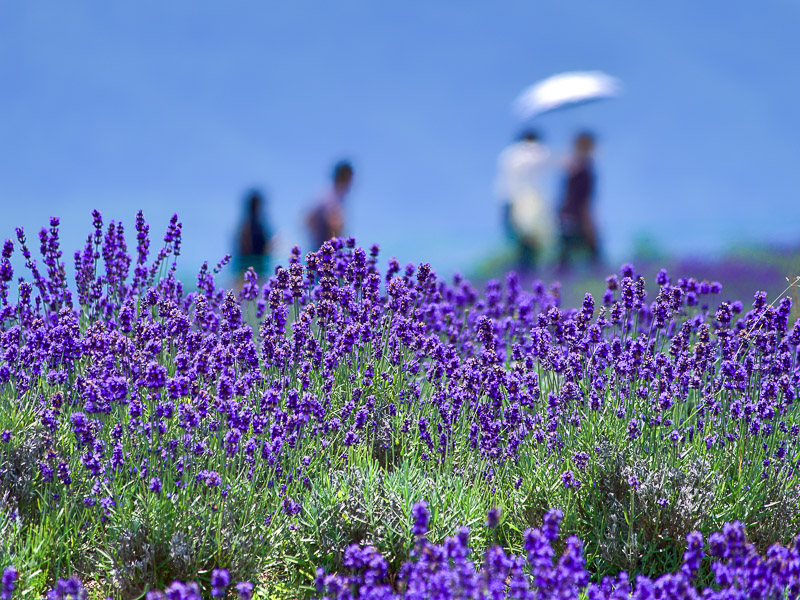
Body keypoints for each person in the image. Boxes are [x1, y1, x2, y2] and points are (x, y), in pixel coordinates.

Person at [495, 130, 554, 272]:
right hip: (523, 203)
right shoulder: (528, 153)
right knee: (528, 241)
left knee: (519, 242)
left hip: (508, 200)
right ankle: (527, 271)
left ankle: (524, 272)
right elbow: (545, 158)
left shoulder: (508, 154)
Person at [558, 131, 600, 271]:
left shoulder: (573, 167)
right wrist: (588, 221)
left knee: (565, 255)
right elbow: (583, 199)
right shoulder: (584, 169)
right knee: (592, 254)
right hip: (577, 216)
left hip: (566, 214)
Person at [307, 160, 354, 249]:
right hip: (324, 250)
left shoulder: (326, 193)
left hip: (318, 247)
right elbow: (334, 225)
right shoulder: (333, 196)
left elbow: (308, 218)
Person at [235, 189, 274, 279]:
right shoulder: (248, 225)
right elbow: (244, 244)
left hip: (259, 267)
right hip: (248, 266)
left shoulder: (259, 224)